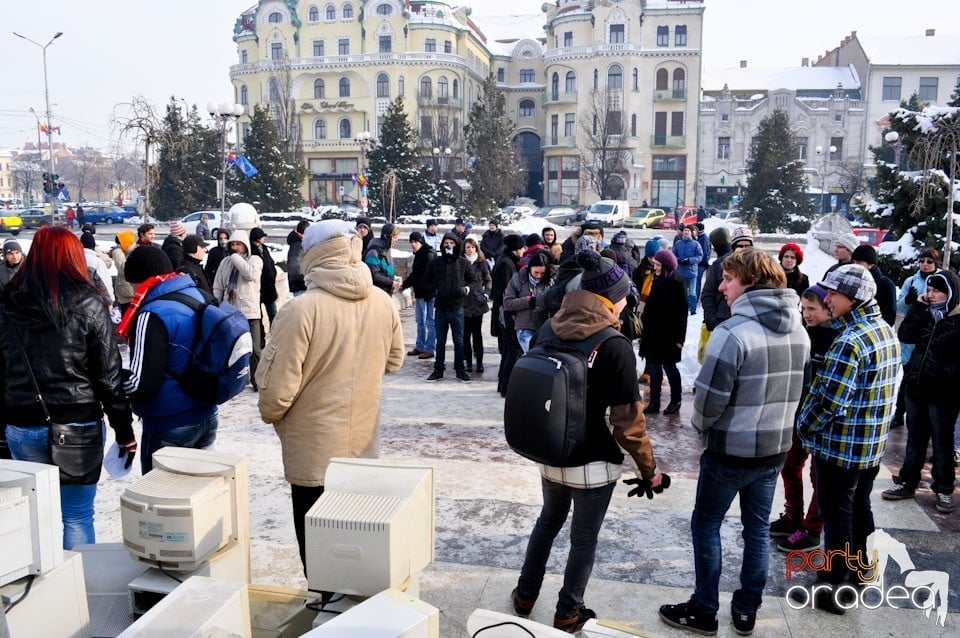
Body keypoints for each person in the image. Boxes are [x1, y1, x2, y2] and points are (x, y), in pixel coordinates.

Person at [660, 248, 809, 636]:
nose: (721, 286)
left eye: (729, 279)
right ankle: (746, 610)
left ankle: (705, 609)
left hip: (729, 451)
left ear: (752, 283)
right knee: (756, 530)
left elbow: (708, 402)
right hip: (775, 448)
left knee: (706, 525)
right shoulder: (798, 328)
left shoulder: (732, 332)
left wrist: (702, 428)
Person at [513, 250, 663, 633]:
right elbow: (628, 424)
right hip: (594, 464)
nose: (627, 300)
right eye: (624, 294)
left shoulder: (549, 327)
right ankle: (568, 611)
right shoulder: (614, 345)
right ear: (609, 298)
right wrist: (650, 470)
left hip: (552, 452)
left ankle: (525, 594)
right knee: (583, 539)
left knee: (547, 521)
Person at [255, 220, 404, 576]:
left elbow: (275, 392)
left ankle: (324, 613)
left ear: (313, 255)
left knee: (319, 552)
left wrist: (275, 415)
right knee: (355, 546)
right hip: (364, 445)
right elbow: (395, 360)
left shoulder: (301, 309)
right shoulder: (382, 302)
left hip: (314, 449)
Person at [0, 226, 135, 549]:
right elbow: (108, 375)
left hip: (22, 420)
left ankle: (47, 588)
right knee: (76, 514)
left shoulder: (8, 301)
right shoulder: (87, 302)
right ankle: (78, 588)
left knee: (37, 514)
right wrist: (124, 429)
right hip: (78, 422)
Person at [797, 264, 899, 614]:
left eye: (833, 294)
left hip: (841, 448)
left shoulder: (851, 341)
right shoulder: (883, 330)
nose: (827, 299)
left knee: (837, 515)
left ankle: (834, 588)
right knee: (858, 509)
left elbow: (830, 402)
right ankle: (858, 574)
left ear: (852, 299)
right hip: (869, 447)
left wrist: (804, 425)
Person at [120, 246, 219, 474]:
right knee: (199, 494)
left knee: (162, 501)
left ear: (139, 279)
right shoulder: (198, 296)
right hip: (207, 414)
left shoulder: (151, 313)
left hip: (169, 421)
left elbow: (141, 383)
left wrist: (113, 379)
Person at [882, 269, 960, 514]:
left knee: (942, 442)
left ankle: (944, 489)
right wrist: (917, 307)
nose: (931, 294)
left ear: (951, 293)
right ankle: (907, 481)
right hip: (916, 388)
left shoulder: (958, 320)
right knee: (915, 438)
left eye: (937, 290)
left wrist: (944, 376)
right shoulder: (927, 314)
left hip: (944, 394)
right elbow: (905, 335)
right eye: (930, 289)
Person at [770, 285, 836, 552]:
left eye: (813, 309)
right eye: (804, 309)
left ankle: (812, 528)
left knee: (817, 475)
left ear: (828, 309)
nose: (806, 314)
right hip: (797, 415)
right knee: (789, 465)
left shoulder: (838, 338)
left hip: (822, 420)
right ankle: (793, 517)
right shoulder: (803, 334)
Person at [892, 247, 940, 427]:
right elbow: (899, 307)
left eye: (929, 261)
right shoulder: (911, 280)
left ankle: (926, 417)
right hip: (912, 332)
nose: (925, 265)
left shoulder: (942, 280)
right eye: (922, 261)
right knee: (908, 378)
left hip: (933, 333)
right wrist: (908, 300)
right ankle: (899, 413)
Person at [213, 229, 264, 388]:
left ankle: (258, 379)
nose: (234, 247)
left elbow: (250, 275)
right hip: (230, 311)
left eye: (238, 244)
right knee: (233, 348)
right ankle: (237, 379)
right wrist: (217, 304)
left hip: (250, 311)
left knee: (255, 349)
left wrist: (235, 257)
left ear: (245, 245)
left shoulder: (255, 260)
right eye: (232, 244)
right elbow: (218, 286)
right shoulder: (225, 262)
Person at [424, 233, 477, 383]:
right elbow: (426, 280)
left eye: (452, 243)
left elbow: (474, 281)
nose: (449, 246)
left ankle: (460, 370)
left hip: (457, 307)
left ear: (456, 245)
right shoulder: (436, 263)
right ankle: (438, 370)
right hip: (441, 307)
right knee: (440, 341)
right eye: (446, 243)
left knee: (459, 341)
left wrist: (466, 289)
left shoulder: (463, 263)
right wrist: (435, 290)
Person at [640, 249, 687, 415]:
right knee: (653, 368)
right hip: (653, 333)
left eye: (658, 265)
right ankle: (654, 402)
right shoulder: (656, 279)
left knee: (669, 367)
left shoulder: (677, 282)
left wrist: (680, 338)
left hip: (669, 335)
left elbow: (682, 314)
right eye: (654, 264)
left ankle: (676, 400)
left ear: (666, 266)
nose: (655, 268)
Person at [493, 234, 526, 396]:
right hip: (506, 313)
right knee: (511, 349)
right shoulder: (506, 264)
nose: (524, 251)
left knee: (508, 349)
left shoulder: (507, 261)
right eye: (522, 248)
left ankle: (503, 383)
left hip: (505, 311)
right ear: (515, 249)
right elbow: (506, 292)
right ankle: (505, 386)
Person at [504, 250, 554, 354]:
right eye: (536, 272)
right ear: (530, 268)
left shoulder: (550, 282)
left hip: (544, 327)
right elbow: (507, 303)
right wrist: (528, 301)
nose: (539, 276)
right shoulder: (517, 280)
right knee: (533, 356)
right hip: (524, 326)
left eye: (542, 273)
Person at [402, 231, 436, 359]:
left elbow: (429, 276)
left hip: (428, 293)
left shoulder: (428, 255)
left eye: (415, 242)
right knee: (420, 321)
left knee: (429, 322)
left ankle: (430, 347)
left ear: (420, 242)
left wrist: (430, 290)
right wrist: (404, 285)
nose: (413, 245)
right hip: (420, 292)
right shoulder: (420, 254)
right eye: (411, 242)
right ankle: (420, 345)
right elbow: (416, 275)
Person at [462, 236, 492, 373]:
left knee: (477, 335)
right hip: (464, 303)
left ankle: (479, 362)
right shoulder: (460, 262)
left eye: (473, 247)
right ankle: (468, 361)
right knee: (465, 335)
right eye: (468, 247)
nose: (470, 250)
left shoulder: (481, 263)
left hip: (478, 302)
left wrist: (486, 294)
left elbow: (488, 280)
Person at [851, 244, 897, 325]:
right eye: (853, 262)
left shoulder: (885, 285)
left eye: (859, 262)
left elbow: (889, 316)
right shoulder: (852, 280)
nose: (855, 265)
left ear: (870, 264)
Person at [250, 228, 278, 328]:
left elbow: (270, 263)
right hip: (258, 289)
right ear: (257, 239)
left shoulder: (264, 249)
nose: (264, 238)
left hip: (269, 287)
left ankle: (275, 335)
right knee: (258, 317)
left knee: (273, 315)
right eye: (262, 237)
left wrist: (273, 275)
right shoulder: (251, 251)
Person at [672, 225, 703, 314]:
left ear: (691, 232)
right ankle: (681, 307)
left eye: (688, 231)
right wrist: (678, 260)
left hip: (692, 272)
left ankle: (693, 309)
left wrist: (690, 260)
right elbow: (673, 255)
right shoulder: (678, 243)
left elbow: (699, 256)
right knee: (681, 292)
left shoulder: (696, 244)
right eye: (685, 230)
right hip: (680, 271)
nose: (686, 232)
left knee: (692, 293)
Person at [365, 223, 401, 295]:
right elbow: (374, 275)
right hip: (378, 294)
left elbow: (388, 272)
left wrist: (395, 280)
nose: (397, 240)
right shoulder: (373, 252)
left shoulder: (387, 251)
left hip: (387, 291)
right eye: (394, 237)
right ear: (386, 236)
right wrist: (391, 282)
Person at [80, 231, 115, 307]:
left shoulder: (74, 260)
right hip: (97, 304)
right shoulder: (97, 262)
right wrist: (110, 302)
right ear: (94, 246)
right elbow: (105, 283)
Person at [110, 230, 137, 314]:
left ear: (124, 243)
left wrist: (116, 252)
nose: (117, 246)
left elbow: (123, 268)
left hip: (129, 296)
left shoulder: (133, 254)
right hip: (126, 295)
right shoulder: (127, 252)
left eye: (119, 244)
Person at [286, 220, 310, 297]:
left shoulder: (298, 242)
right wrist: (304, 281)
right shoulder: (297, 245)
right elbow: (295, 266)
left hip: (300, 283)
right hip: (300, 284)